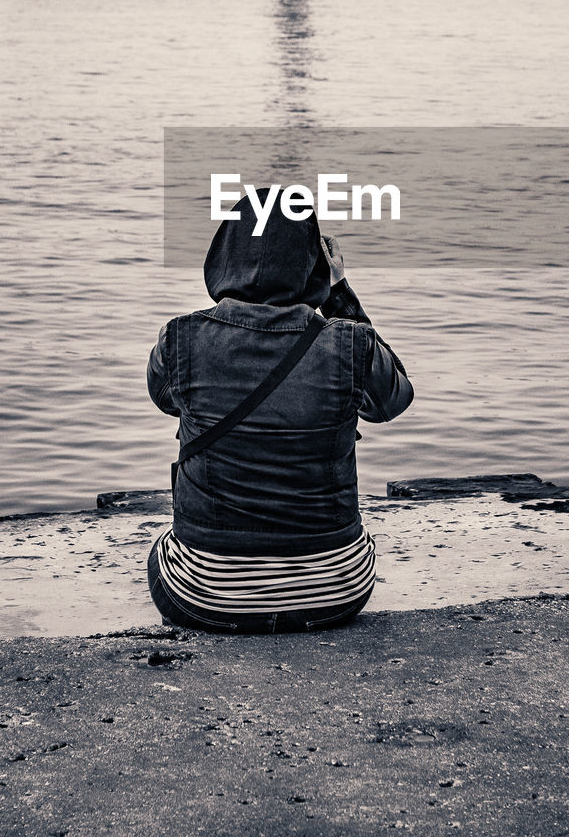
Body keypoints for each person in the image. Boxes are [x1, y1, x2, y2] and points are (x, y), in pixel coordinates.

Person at [146, 191, 414, 634]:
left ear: (224, 255)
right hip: (335, 590)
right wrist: (339, 292)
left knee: (160, 551)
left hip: (207, 595)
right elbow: (394, 401)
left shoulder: (180, 338)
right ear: (313, 264)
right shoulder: (349, 342)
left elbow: (164, 399)